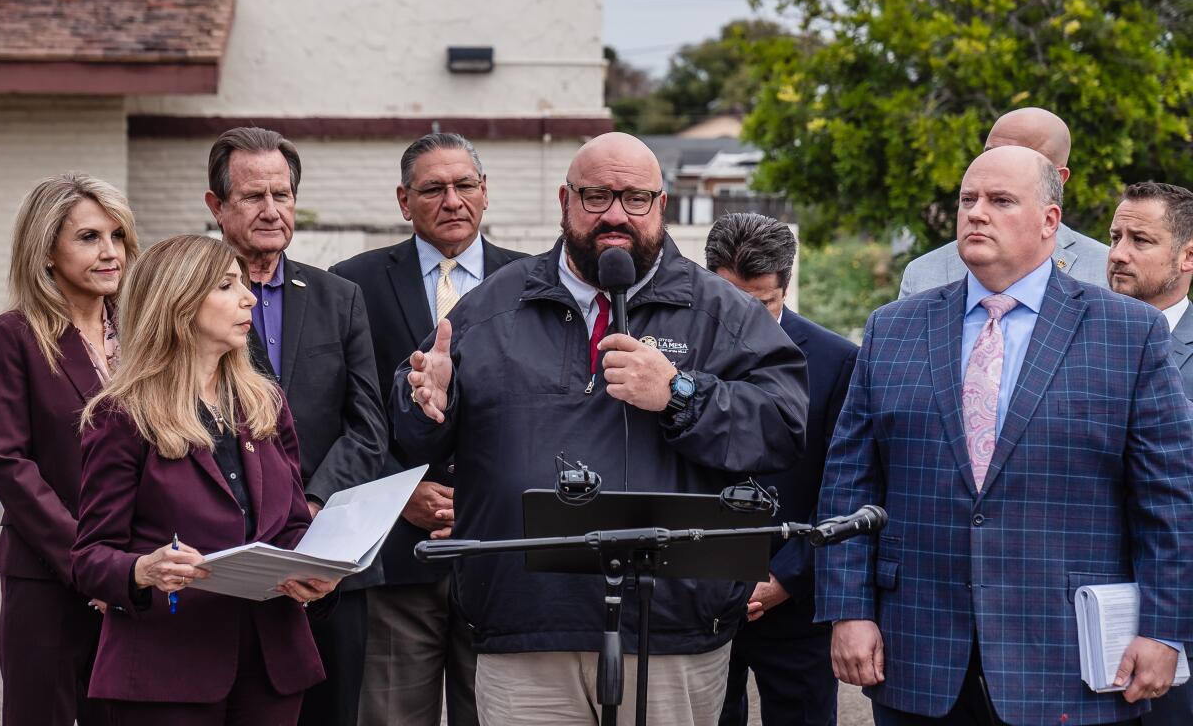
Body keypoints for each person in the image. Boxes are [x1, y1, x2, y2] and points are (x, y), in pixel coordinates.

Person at [392, 132, 809, 726]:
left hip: (671, 631)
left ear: (662, 205)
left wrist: (679, 394)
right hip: (525, 629)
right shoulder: (492, 309)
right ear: (566, 200)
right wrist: (425, 401)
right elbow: (416, 434)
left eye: (634, 198)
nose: (615, 214)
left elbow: (782, 425)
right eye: (596, 196)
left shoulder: (722, 313)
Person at [818, 145, 1193, 725]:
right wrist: (848, 610)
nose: (976, 213)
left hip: (1066, 663)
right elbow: (849, 483)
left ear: (1050, 221)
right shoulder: (892, 329)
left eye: (1000, 200)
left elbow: (1168, 500)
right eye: (968, 199)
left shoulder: (1128, 332)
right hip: (915, 654)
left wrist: (1166, 630)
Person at [72, 234, 337, 724]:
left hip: (272, 665)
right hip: (166, 669)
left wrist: (314, 568)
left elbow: (293, 524)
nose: (249, 298)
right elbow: (90, 556)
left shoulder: (266, 403)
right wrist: (141, 570)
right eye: (226, 285)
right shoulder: (122, 415)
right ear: (179, 304)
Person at [331, 132, 526, 726]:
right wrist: (399, 492)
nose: (452, 200)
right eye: (433, 188)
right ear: (403, 199)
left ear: (485, 193)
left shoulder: (532, 284)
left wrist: (486, 494)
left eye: (465, 185)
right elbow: (341, 412)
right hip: (394, 554)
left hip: (495, 549)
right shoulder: (351, 284)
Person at [204, 126, 386, 726]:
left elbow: (367, 428)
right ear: (216, 205)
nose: (271, 210)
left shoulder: (341, 297)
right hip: (230, 560)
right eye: (253, 196)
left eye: (282, 195)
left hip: (328, 555)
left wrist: (309, 507)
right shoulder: (186, 298)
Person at [0, 174, 138, 726]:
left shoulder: (143, 335)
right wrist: (88, 565)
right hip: (48, 576)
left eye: (118, 235)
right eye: (89, 237)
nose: (110, 252)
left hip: (135, 575)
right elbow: (9, 464)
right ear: (45, 250)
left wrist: (128, 569)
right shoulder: (13, 337)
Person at [705, 212, 857, 726]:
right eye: (732, 303)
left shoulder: (839, 361)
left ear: (786, 287)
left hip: (797, 603)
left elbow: (845, 482)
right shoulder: (670, 351)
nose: (746, 320)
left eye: (763, 304)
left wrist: (786, 578)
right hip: (695, 595)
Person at [1107, 180, 1193, 726]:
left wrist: (1170, 628)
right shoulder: (1063, 342)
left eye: (1140, 239)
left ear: (1188, 256)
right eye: (1114, 236)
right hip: (1063, 631)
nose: (1117, 254)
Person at [899, 107, 1109, 297]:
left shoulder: (1106, 271)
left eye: (1021, 156)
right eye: (992, 153)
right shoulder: (923, 274)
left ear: (1058, 179)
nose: (999, 164)